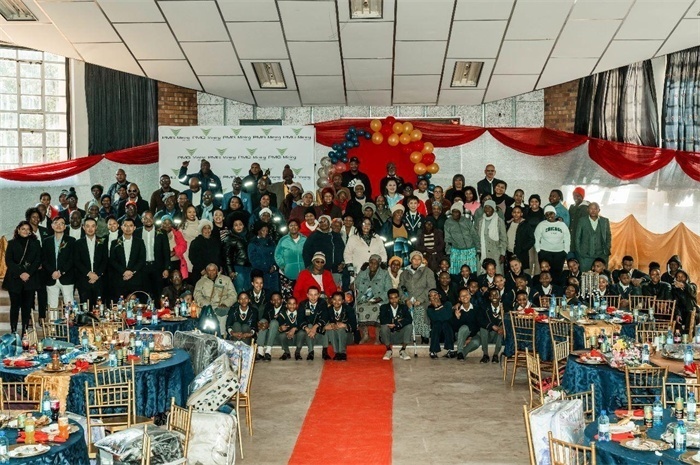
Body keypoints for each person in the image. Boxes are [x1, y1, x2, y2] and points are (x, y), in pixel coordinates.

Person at [3, 221, 41, 334]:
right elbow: (9, 261)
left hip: (30, 279)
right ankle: (13, 331)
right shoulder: (11, 243)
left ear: (30, 231)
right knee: (14, 306)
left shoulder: (35, 243)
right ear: (18, 230)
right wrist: (21, 273)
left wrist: (28, 273)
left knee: (27, 307)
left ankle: (25, 331)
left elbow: (37, 260)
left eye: (27, 229)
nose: (25, 231)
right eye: (23, 229)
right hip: (14, 279)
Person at [399, 250, 436, 344]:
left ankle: (424, 334)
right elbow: (400, 288)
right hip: (408, 299)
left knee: (420, 309)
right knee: (404, 311)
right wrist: (406, 300)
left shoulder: (427, 272)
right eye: (414, 259)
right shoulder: (404, 273)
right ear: (410, 260)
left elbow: (431, 287)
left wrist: (420, 299)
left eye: (419, 259)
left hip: (423, 299)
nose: (416, 261)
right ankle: (407, 335)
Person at [354, 254, 392, 343]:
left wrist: (380, 298)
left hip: (379, 298)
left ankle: (377, 337)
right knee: (359, 308)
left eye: (375, 263)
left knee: (378, 309)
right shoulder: (363, 272)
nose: (373, 265)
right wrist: (360, 273)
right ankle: (365, 335)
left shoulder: (384, 274)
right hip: (364, 298)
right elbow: (356, 284)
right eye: (371, 263)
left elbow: (389, 289)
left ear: (379, 264)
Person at [133, 211, 171, 301]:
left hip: (157, 267)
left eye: (150, 218)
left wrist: (166, 268)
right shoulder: (137, 232)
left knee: (158, 293)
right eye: (145, 218)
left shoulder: (161, 232)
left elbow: (166, 251)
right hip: (142, 267)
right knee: (143, 293)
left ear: (153, 219)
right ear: (142, 220)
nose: (148, 220)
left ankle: (158, 309)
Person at [42, 216, 76, 308]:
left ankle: (70, 318)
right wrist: (52, 272)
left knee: (69, 304)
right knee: (52, 305)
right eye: (56, 223)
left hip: (66, 277)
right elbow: (44, 259)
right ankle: (53, 319)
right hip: (51, 277)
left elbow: (72, 259)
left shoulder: (71, 240)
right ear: (52, 226)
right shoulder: (46, 241)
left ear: (65, 227)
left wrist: (61, 271)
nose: (58, 225)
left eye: (61, 223)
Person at [194, 263, 237, 335]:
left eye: (213, 270)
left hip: (222, 306)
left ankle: (221, 335)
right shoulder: (200, 282)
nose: (211, 272)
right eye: (209, 270)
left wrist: (225, 303)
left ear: (217, 271)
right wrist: (206, 304)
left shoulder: (226, 280)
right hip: (207, 306)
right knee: (206, 316)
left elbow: (233, 295)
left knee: (222, 314)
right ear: (206, 271)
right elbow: (197, 295)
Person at [74, 217, 108, 307]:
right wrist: (89, 273)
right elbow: (77, 261)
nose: (90, 229)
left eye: (93, 226)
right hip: (84, 280)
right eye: (87, 226)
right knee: (85, 309)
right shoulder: (78, 243)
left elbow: (105, 260)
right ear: (83, 227)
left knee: (99, 308)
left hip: (99, 280)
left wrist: (97, 274)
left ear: (96, 227)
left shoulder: (102, 241)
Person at [109, 218, 146, 300]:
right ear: (121, 227)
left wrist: (131, 272)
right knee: (120, 304)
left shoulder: (140, 242)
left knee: (136, 304)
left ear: (134, 228)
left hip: (135, 279)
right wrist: (124, 272)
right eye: (125, 225)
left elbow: (142, 259)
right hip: (120, 279)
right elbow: (112, 260)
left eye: (131, 226)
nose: (128, 228)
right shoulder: (114, 243)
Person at [534, 205, 570, 284]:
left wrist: (566, 250)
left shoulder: (562, 225)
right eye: (547, 214)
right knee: (545, 274)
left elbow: (567, 238)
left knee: (557, 274)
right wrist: (538, 250)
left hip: (559, 253)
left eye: (551, 213)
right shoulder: (541, 225)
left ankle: (555, 290)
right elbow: (536, 238)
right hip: (545, 252)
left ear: (555, 214)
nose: (549, 216)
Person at [302, 215, 345, 281]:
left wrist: (342, 263)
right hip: (319, 272)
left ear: (329, 222)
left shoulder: (336, 235)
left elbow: (343, 250)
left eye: (325, 221)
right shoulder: (313, 236)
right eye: (321, 222)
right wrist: (310, 268)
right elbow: (306, 253)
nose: (323, 223)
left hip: (335, 271)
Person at [444, 202, 479, 277]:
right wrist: (448, 252)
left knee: (471, 273)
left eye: (457, 212)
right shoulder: (448, 222)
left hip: (470, 251)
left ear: (461, 213)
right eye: (453, 212)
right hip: (456, 251)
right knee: (457, 274)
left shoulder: (467, 221)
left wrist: (478, 249)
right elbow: (447, 238)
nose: (455, 214)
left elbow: (474, 235)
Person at [574, 202, 611, 273]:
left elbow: (608, 236)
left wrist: (607, 248)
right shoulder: (582, 220)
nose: (593, 211)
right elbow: (577, 237)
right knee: (585, 275)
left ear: (599, 210)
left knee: (601, 276)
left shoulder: (604, 221)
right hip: (585, 255)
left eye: (595, 209)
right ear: (587, 209)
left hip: (601, 254)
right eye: (591, 208)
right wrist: (579, 252)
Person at [274, 219, 306, 298]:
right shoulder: (283, 240)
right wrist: (283, 266)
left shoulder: (304, 239)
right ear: (288, 227)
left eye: (295, 225)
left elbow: (309, 253)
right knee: (288, 297)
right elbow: (277, 254)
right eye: (291, 225)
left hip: (303, 273)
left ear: (299, 227)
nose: (293, 227)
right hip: (287, 274)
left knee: (302, 296)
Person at [379, 288, 414, 361]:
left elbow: (409, 319)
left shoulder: (403, 307)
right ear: (388, 299)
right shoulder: (384, 307)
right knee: (384, 327)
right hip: (389, 336)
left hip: (399, 335)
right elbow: (383, 320)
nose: (394, 300)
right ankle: (388, 350)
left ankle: (403, 350)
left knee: (409, 326)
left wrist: (396, 324)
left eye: (395, 297)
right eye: (391, 298)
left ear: (398, 298)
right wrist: (397, 321)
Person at [298, 286, 330, 360]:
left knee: (325, 325)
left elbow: (325, 317)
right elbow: (300, 319)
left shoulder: (322, 303)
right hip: (308, 329)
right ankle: (311, 352)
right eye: (311, 295)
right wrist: (307, 329)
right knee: (309, 325)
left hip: (319, 327)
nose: (313, 297)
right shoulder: (303, 304)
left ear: (319, 295)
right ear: (307, 295)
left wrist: (315, 327)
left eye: (315, 295)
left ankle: (325, 351)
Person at [477, 200, 507, 274]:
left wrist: (502, 254)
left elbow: (504, 239)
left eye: (490, 207)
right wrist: (479, 251)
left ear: (494, 209)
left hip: (496, 253)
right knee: (484, 274)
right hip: (484, 252)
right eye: (486, 207)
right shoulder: (480, 221)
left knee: (497, 274)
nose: (487, 209)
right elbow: (478, 238)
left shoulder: (499, 221)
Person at [188, 219, 222, 284]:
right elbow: (192, 257)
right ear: (201, 230)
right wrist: (201, 269)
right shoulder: (195, 242)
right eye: (205, 228)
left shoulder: (216, 241)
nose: (207, 230)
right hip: (200, 272)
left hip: (215, 272)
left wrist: (219, 266)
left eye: (209, 228)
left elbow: (219, 255)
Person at [452, 288, 483, 360]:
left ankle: (461, 354)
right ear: (459, 299)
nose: (465, 297)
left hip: (474, 334)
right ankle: (460, 351)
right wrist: (457, 318)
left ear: (470, 296)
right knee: (464, 327)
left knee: (476, 342)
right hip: (461, 335)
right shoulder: (457, 310)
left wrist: (470, 337)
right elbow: (455, 328)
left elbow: (478, 325)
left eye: (466, 295)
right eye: (462, 296)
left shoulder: (477, 309)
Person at [248, 222, 279, 292]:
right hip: (261, 274)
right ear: (258, 231)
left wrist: (275, 267)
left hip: (273, 274)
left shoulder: (271, 242)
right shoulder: (253, 243)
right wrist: (267, 268)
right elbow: (253, 260)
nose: (265, 232)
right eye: (263, 230)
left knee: (275, 294)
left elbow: (277, 255)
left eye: (266, 231)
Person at [325, 291, 354, 361]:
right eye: (334, 299)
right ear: (332, 300)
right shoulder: (328, 310)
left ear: (343, 301)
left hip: (347, 337)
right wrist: (328, 326)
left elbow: (354, 325)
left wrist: (345, 325)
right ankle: (337, 353)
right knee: (331, 329)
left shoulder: (349, 309)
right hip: (334, 337)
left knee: (341, 329)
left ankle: (342, 353)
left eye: (339, 300)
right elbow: (323, 323)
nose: (336, 302)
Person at [477, 288, 504, 364]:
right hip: (487, 335)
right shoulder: (484, 307)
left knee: (502, 329)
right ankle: (485, 355)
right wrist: (492, 326)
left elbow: (508, 320)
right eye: (492, 295)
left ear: (500, 297)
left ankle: (496, 355)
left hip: (498, 336)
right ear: (489, 297)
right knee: (483, 328)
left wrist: (502, 327)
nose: (494, 297)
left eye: (496, 295)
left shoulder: (505, 307)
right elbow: (480, 320)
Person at [426, 289, 455, 358]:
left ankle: (450, 350)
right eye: (431, 296)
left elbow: (447, 316)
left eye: (435, 295)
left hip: (448, 333)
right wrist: (436, 307)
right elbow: (436, 319)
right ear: (429, 299)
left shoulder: (448, 304)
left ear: (439, 296)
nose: (434, 297)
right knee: (437, 324)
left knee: (446, 323)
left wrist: (438, 307)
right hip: (437, 334)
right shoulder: (429, 309)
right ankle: (433, 351)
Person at [507, 206, 535, 273]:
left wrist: (522, 248)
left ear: (521, 214)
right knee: (511, 272)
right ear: (512, 213)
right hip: (509, 253)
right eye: (514, 212)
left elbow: (532, 240)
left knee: (521, 273)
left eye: (518, 212)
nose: (516, 214)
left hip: (521, 254)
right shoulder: (508, 224)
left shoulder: (526, 225)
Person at [259, 292, 285, 360]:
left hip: (279, 334)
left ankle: (268, 351)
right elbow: (264, 318)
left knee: (274, 322)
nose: (276, 301)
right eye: (274, 300)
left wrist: (270, 325)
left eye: (278, 299)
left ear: (282, 300)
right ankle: (260, 351)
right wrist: (264, 324)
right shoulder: (269, 308)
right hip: (269, 333)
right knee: (263, 321)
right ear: (271, 301)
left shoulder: (286, 309)